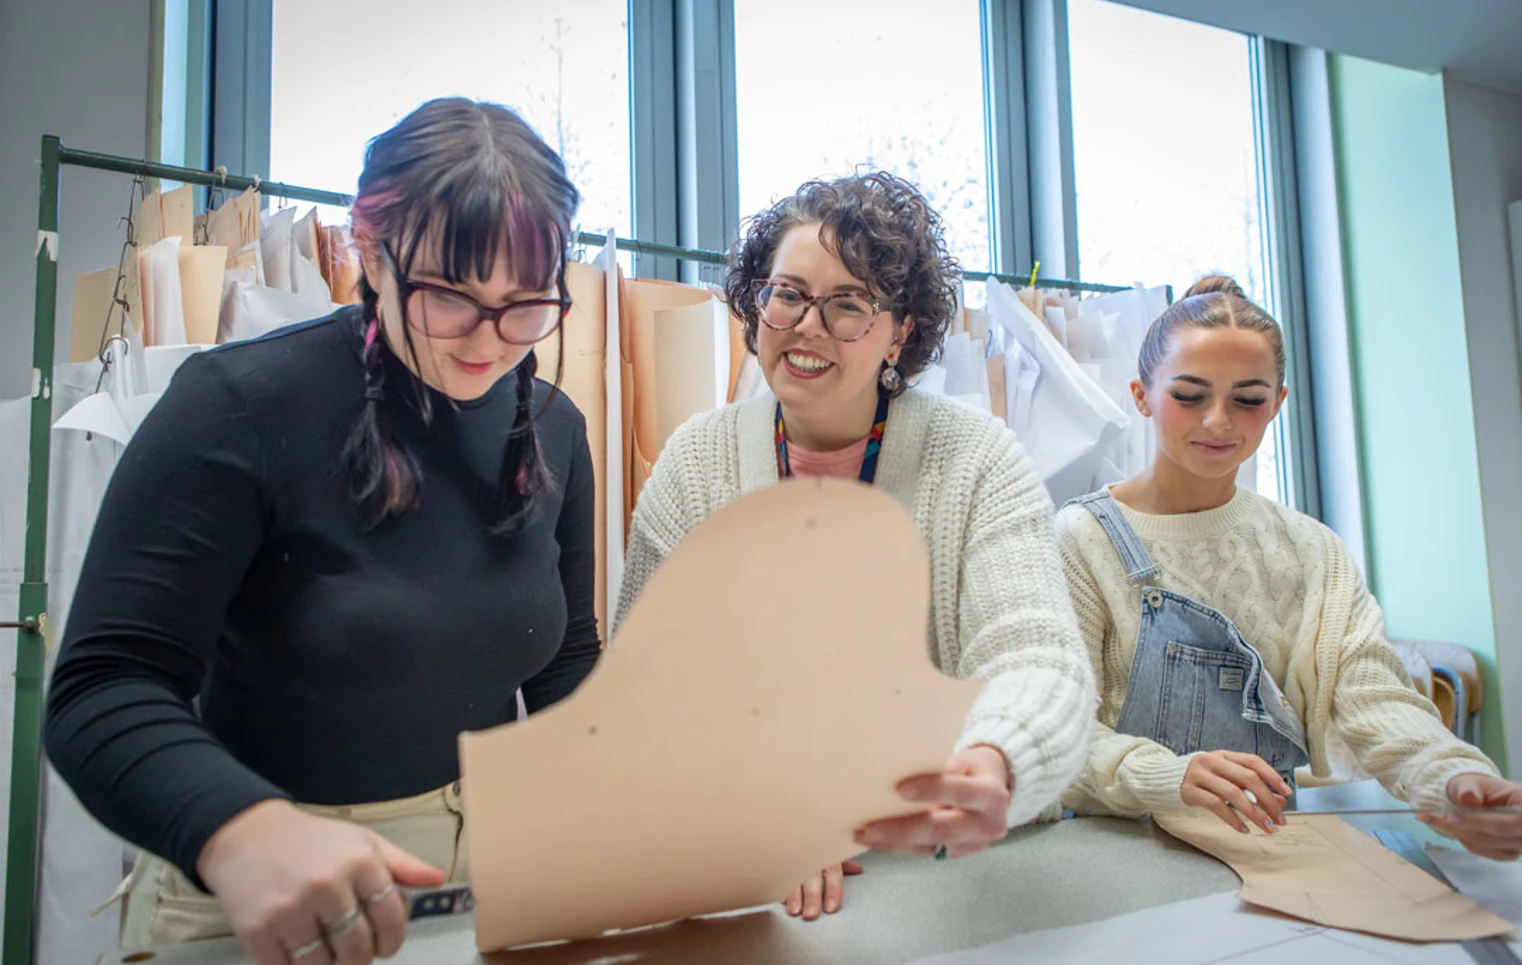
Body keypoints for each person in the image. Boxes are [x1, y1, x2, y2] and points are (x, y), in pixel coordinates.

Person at [44, 98, 602, 964]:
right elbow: (104, 686)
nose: (491, 341)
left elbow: (566, 666)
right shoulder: (239, 405)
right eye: (450, 296)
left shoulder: (554, 428)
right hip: (267, 879)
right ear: (370, 251)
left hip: (485, 868)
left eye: (526, 304)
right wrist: (242, 830)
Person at [615, 172, 1096, 921]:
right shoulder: (696, 464)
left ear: (900, 332)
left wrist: (996, 757)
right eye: (788, 295)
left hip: (949, 876)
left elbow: (1037, 656)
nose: (807, 326)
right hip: (758, 868)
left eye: (848, 305)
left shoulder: (977, 461)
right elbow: (644, 694)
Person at [1057, 275, 1522, 861]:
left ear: (1277, 403)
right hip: (1119, 861)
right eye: (1190, 395)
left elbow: (1375, 698)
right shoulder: (1081, 538)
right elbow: (1057, 732)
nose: (1218, 421)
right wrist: (1167, 776)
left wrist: (1453, 777)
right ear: (1142, 395)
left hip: (1272, 857)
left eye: (1248, 399)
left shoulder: (1310, 548)